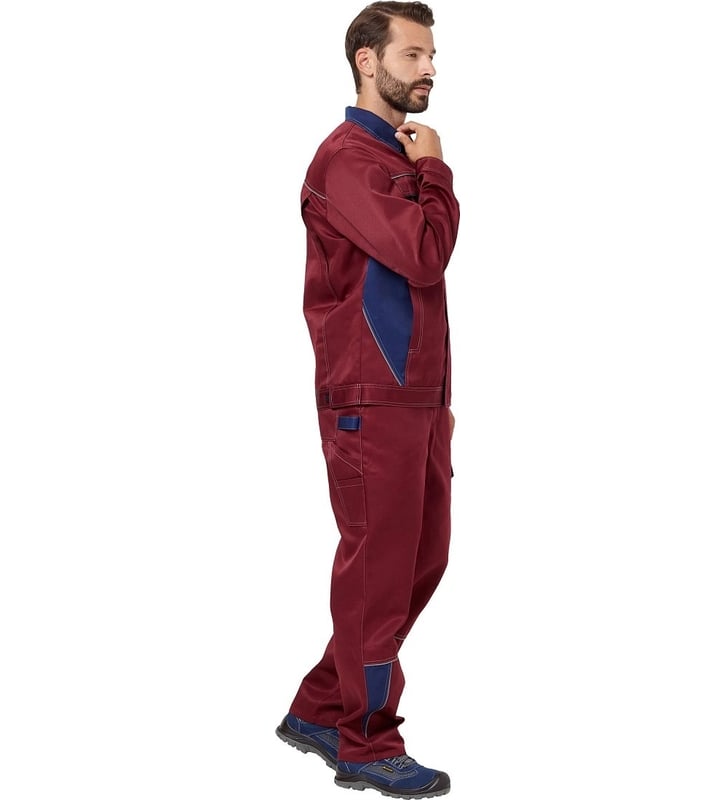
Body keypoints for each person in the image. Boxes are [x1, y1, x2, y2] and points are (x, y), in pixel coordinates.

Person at [275, 2, 460, 798]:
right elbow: (422, 254)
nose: (430, 69)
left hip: (416, 401)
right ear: (366, 61)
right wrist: (436, 173)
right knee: (378, 574)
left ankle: (322, 706)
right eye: (413, 54)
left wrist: (438, 402)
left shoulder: (392, 156)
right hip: (370, 401)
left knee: (421, 560)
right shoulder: (349, 160)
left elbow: (412, 286)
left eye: (431, 55)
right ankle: (366, 741)